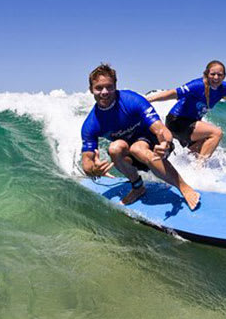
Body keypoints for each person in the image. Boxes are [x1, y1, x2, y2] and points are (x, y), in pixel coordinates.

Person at [81, 63, 200, 210]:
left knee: (138, 148)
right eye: (99, 88)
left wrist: (165, 143)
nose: (104, 92)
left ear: (115, 86)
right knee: (114, 148)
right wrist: (93, 169)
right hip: (131, 157)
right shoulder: (91, 123)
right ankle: (138, 187)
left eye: (109, 87)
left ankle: (183, 187)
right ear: (91, 89)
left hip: (155, 146)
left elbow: (161, 130)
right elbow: (86, 161)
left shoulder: (132, 100)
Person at [147, 60, 226, 161]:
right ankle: (199, 169)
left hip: (191, 123)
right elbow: (173, 93)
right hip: (177, 121)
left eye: (220, 75)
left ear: (224, 76)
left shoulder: (224, 87)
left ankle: (185, 168)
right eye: (213, 74)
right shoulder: (197, 85)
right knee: (216, 133)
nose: (216, 77)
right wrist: (150, 99)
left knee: (201, 147)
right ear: (206, 74)